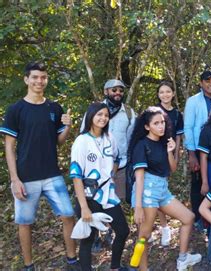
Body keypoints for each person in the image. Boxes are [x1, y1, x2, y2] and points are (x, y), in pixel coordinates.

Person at [0, 61, 79, 271]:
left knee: (68, 215)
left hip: (52, 174)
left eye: (43, 77)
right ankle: (28, 265)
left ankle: (72, 259)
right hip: (26, 176)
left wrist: (68, 126)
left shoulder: (54, 107)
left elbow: (59, 141)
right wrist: (14, 179)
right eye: (35, 77)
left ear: (46, 80)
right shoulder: (16, 109)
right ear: (26, 79)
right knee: (25, 222)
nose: (39, 81)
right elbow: (9, 148)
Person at [129, 106, 201, 271]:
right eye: (156, 123)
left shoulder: (164, 142)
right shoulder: (141, 145)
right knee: (144, 236)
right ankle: (142, 269)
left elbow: (172, 169)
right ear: (147, 126)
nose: (161, 126)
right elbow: (139, 178)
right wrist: (138, 207)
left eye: (162, 122)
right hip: (147, 190)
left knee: (188, 218)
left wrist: (170, 151)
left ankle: (182, 259)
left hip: (162, 189)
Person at [70, 103, 129, 271]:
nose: (103, 118)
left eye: (106, 115)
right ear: (90, 117)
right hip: (89, 197)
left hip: (108, 194)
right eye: (99, 115)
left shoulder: (109, 137)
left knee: (123, 230)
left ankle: (115, 267)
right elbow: (76, 176)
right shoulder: (81, 141)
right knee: (88, 239)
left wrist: (112, 173)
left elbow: (117, 158)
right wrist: (84, 208)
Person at [80, 78, 136, 249]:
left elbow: (131, 138)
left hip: (119, 166)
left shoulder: (129, 112)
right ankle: (95, 234)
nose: (118, 93)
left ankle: (110, 230)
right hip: (95, 167)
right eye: (114, 90)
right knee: (95, 201)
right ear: (106, 92)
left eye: (120, 90)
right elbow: (83, 133)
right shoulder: (96, 110)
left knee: (114, 201)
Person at [184, 70, 211, 229]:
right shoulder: (194, 101)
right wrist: (192, 153)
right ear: (201, 83)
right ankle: (199, 218)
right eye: (207, 81)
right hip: (199, 148)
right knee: (198, 183)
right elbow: (188, 127)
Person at [154, 80, 184, 246]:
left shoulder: (177, 114)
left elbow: (178, 137)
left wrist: (176, 155)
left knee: (162, 189)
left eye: (168, 91)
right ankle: (164, 227)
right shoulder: (153, 111)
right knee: (156, 190)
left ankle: (163, 226)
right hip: (153, 156)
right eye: (161, 92)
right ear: (158, 95)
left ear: (173, 93)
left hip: (168, 155)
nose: (164, 95)